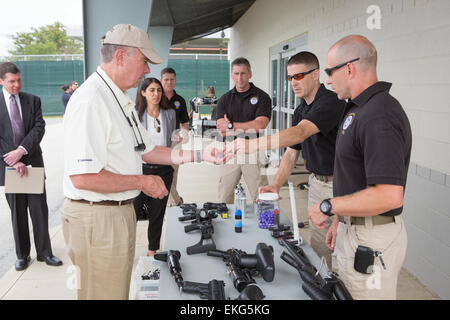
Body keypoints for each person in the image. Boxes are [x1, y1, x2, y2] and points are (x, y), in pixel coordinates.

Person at [62, 24, 225, 300]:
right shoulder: (91, 101)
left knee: (116, 292)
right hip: (97, 219)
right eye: (144, 61)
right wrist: (142, 181)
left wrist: (201, 155)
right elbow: (83, 177)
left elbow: (149, 150)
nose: (148, 71)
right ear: (121, 57)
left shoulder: (118, 99)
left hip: (116, 213)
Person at [308, 35, 412, 300]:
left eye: (330, 72)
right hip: (355, 229)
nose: (328, 80)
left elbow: (389, 195)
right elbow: (356, 178)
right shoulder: (359, 109)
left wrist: (328, 206)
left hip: (371, 239)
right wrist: (339, 220)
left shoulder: (380, 114)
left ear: (350, 68)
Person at [227, 52, 345, 268]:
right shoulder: (300, 110)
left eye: (299, 76)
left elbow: (300, 133)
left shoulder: (331, 102)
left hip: (341, 185)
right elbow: (292, 153)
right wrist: (275, 184)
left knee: (340, 249)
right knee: (320, 248)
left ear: (316, 74)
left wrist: (250, 144)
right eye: (290, 77)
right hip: (316, 184)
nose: (293, 82)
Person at [0, 62, 63, 271]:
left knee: (39, 211)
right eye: (11, 81)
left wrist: (21, 151)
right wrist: (13, 158)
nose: (16, 85)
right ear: (1, 81)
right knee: (18, 214)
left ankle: (45, 253)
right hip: (9, 167)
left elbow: (39, 128)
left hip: (32, 163)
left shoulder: (32, 100)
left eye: (18, 80)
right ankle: (22, 255)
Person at [215, 57, 272, 203]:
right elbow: (222, 129)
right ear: (231, 75)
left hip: (254, 151)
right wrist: (245, 126)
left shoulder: (262, 97)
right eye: (236, 73)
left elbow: (260, 125)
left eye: (243, 73)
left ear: (250, 74)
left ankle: (265, 224)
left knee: (261, 195)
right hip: (230, 151)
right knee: (224, 195)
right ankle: (225, 224)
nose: (239, 78)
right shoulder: (224, 99)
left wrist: (232, 126)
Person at [133, 77, 177, 257]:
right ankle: (125, 250)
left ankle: (152, 253)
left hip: (163, 170)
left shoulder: (169, 113)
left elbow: (170, 140)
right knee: (133, 213)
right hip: (141, 171)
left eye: (158, 90)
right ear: (143, 92)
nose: (156, 94)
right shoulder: (135, 114)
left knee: (157, 214)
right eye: (151, 90)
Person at [160, 67, 189, 207]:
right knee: (161, 175)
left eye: (172, 79)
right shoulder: (156, 97)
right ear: (161, 80)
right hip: (158, 141)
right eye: (166, 79)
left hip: (175, 142)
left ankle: (172, 205)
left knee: (172, 174)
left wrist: (184, 134)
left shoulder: (180, 100)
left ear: (175, 81)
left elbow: (185, 123)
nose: (169, 82)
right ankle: (176, 202)